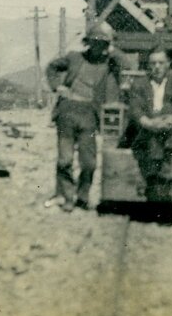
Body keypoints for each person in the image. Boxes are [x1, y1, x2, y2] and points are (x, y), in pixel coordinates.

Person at [44, 25, 124, 212]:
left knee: (89, 163)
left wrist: (112, 49)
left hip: (89, 115)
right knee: (65, 159)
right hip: (67, 112)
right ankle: (66, 196)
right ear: (88, 43)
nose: (97, 47)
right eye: (94, 43)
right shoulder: (74, 58)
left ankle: (82, 197)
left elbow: (126, 63)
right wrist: (57, 86)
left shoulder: (108, 63)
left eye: (101, 44)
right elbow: (52, 67)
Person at [126, 47, 172, 201]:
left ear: (168, 64)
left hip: (171, 128)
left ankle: (168, 176)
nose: (157, 67)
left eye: (161, 63)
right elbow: (135, 108)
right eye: (153, 63)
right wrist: (149, 122)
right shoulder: (139, 84)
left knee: (170, 129)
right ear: (148, 65)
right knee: (152, 136)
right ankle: (156, 181)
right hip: (148, 127)